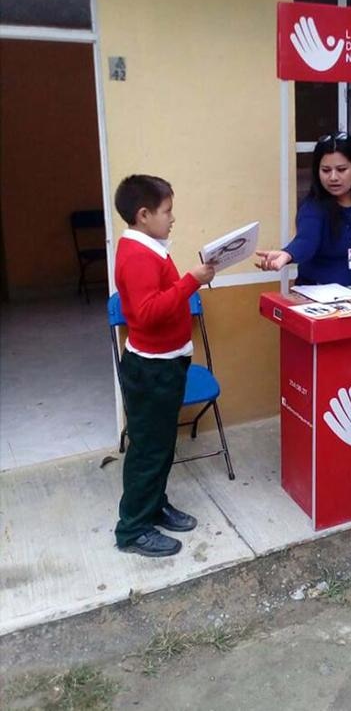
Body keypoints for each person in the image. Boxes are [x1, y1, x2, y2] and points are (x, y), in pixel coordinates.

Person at [113, 175, 216, 557]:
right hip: (150, 370)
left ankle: (153, 506)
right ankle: (132, 528)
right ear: (143, 215)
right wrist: (192, 280)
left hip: (166, 364)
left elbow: (161, 298)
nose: (173, 218)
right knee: (149, 451)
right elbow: (146, 314)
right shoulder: (138, 255)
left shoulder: (150, 246)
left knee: (160, 445)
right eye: (167, 210)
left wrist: (190, 280)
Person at [256, 133, 351, 285]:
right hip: (317, 296)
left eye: (341, 169)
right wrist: (287, 254)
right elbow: (306, 241)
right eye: (326, 170)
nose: (333, 177)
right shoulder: (312, 207)